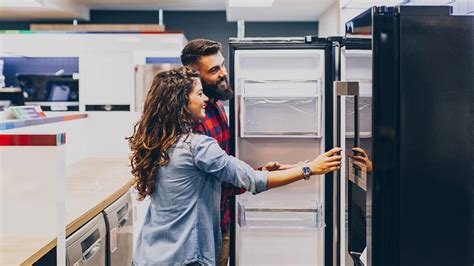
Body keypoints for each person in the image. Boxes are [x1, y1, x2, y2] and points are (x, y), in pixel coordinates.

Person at [129, 66, 342, 265]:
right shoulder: (198, 147)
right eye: (199, 94)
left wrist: (262, 171)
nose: (205, 100)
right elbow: (254, 182)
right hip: (185, 256)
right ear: (181, 101)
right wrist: (310, 169)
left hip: (149, 254)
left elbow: (225, 178)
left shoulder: (158, 142)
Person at [180, 38, 281, 265]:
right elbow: (219, 177)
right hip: (201, 230)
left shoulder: (216, 104)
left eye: (222, 65)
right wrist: (304, 170)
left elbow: (224, 166)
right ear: (193, 75)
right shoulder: (194, 122)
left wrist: (259, 171)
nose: (223, 73)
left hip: (222, 218)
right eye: (214, 70)